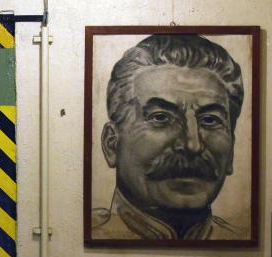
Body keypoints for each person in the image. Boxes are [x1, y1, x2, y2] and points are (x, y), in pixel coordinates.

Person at [92, 34, 246, 240]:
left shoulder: (236, 240)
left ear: (232, 150)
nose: (192, 144)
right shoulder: (75, 240)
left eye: (210, 120)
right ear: (111, 144)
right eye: (161, 118)